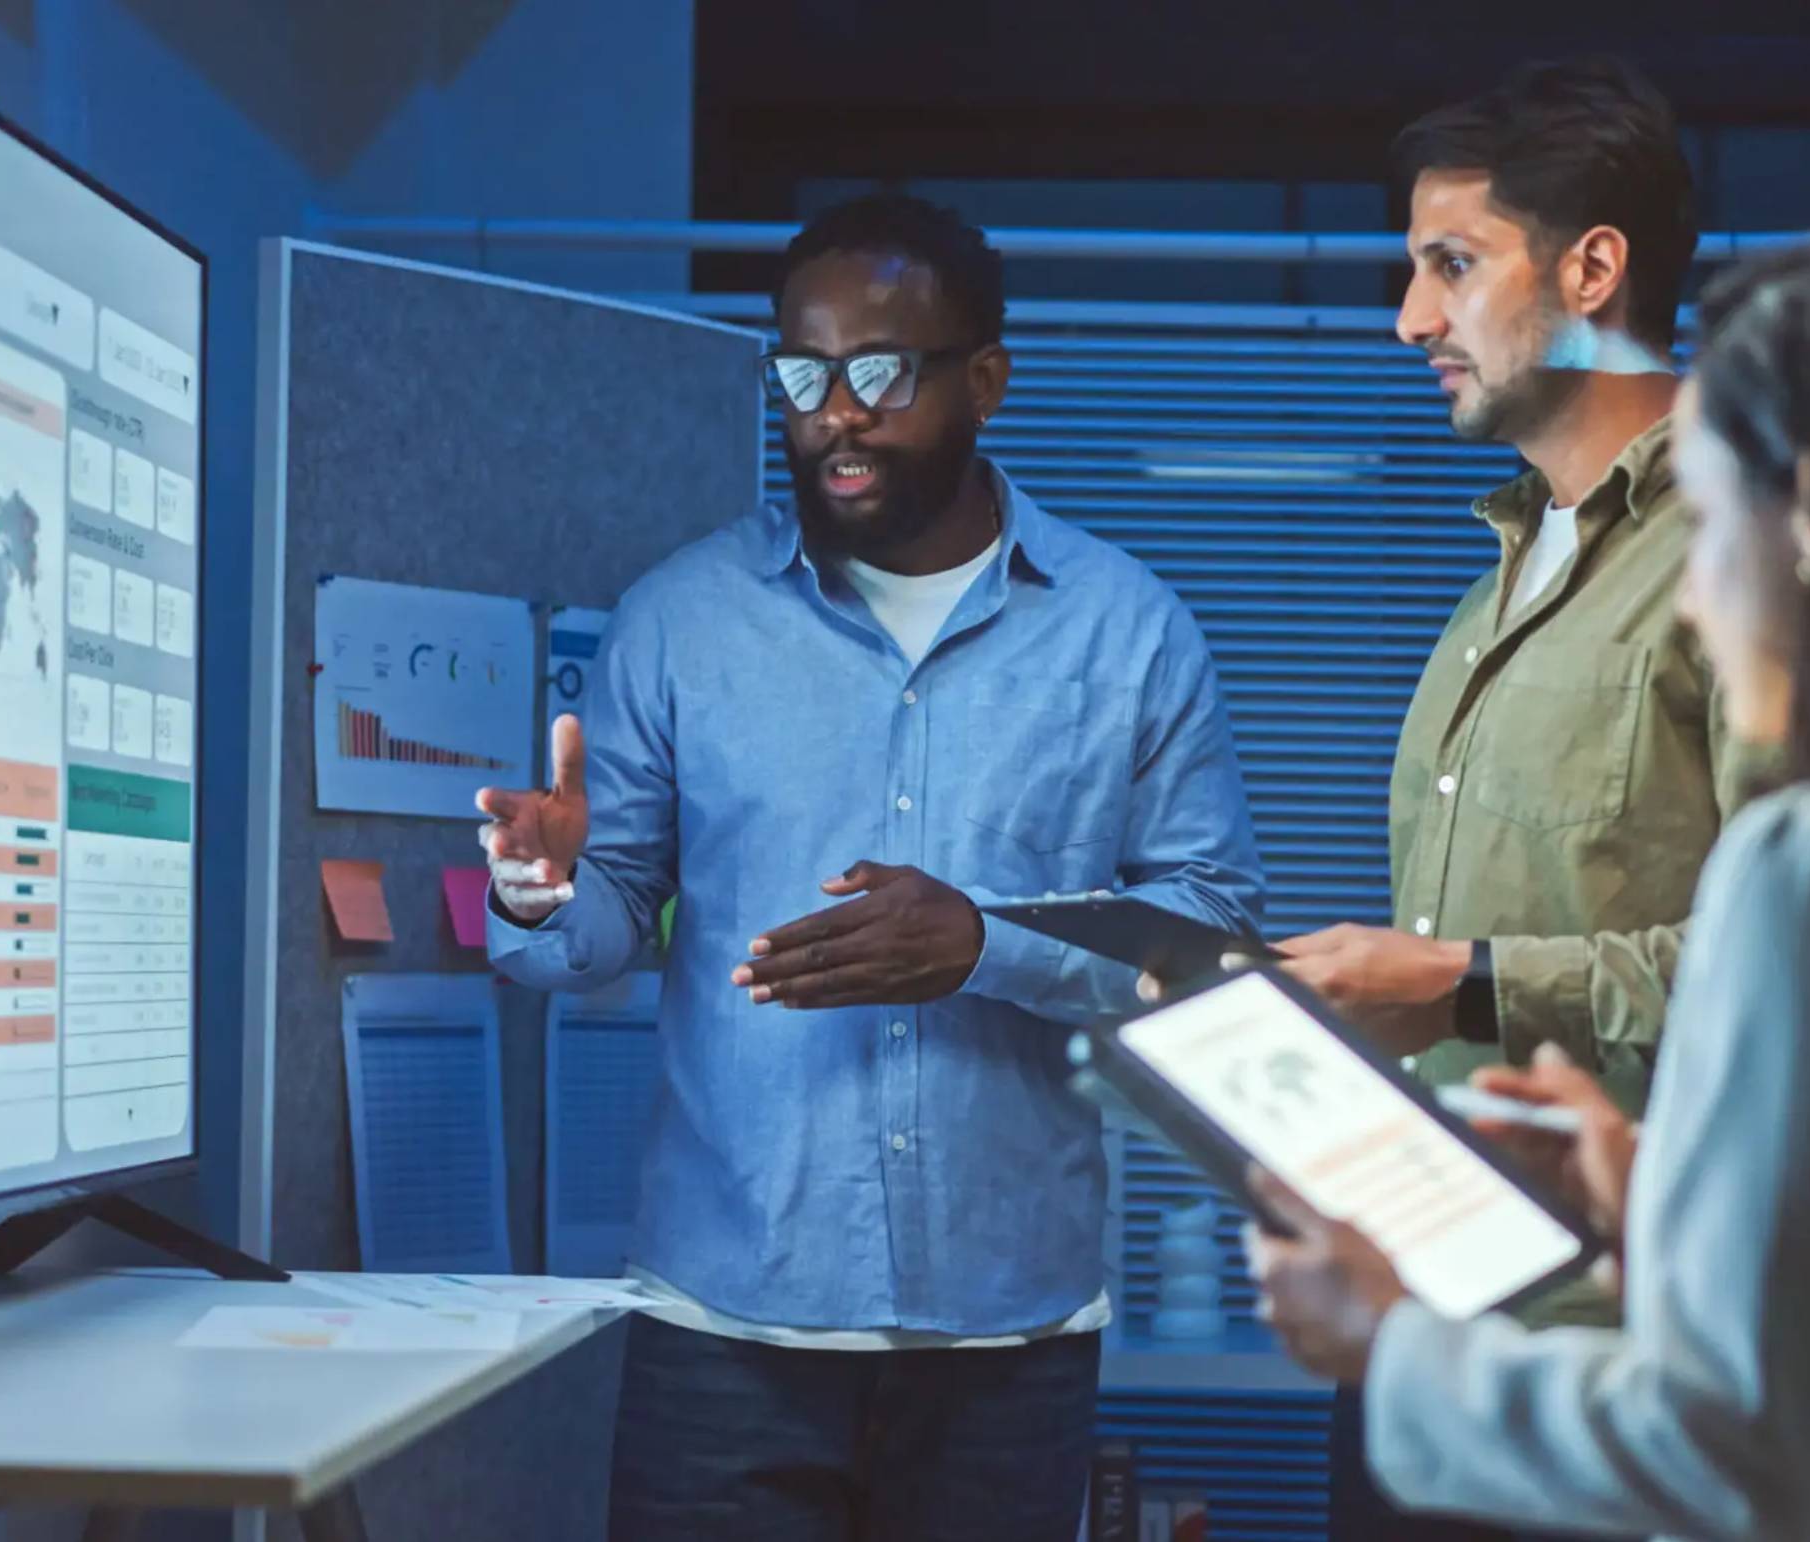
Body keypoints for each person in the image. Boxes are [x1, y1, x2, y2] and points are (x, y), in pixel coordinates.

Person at [476, 194, 1263, 1542]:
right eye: (800, 369)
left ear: (986, 379)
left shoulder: (1129, 635)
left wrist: (983, 945)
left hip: (1005, 1339)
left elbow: (1211, 942)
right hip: (724, 1328)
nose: (830, 410)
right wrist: (540, 888)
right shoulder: (681, 621)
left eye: (879, 372)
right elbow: (600, 923)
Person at [1135, 59, 1755, 1541]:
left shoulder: (1745, 560)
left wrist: (1463, 981)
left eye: (1450, 265)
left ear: (1591, 267)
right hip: (1427, 1311)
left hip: (1617, 1361)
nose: (1410, 319)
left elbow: (1787, 969)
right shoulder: (1500, 579)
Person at [1247, 236, 1810, 1542]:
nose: (1692, 584)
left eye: (1714, 522)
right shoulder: (1484, 598)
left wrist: (1386, 1344)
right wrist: (1645, 1182)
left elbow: (1726, 1449)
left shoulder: (1793, 865)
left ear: (1799, 522)